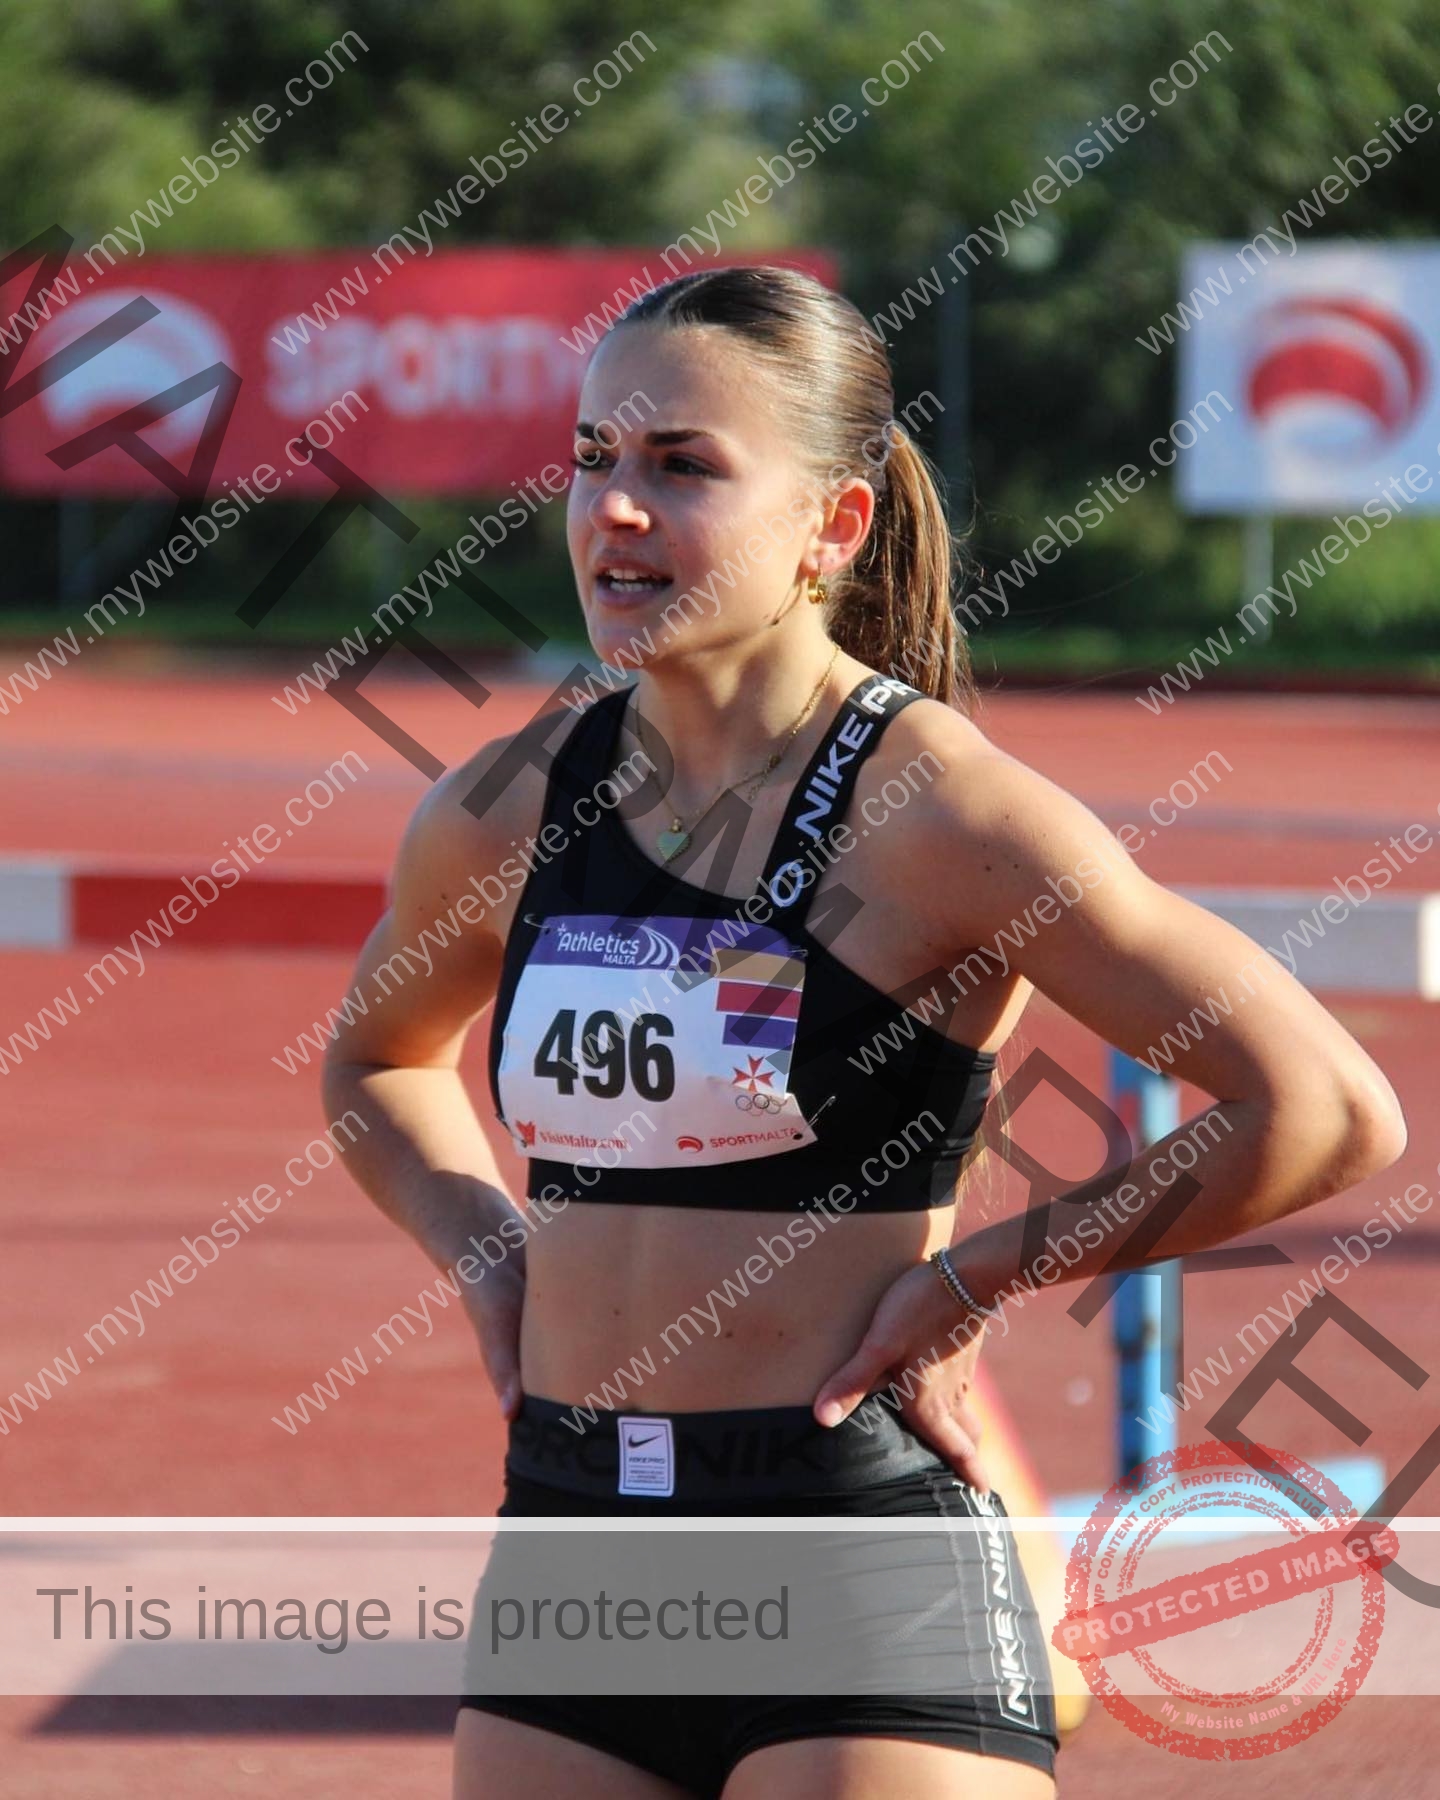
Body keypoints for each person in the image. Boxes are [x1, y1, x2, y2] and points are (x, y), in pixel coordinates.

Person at [322, 264, 1407, 1799]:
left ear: (835, 527)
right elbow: (372, 1061)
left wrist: (983, 1273)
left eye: (682, 467)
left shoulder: (935, 809)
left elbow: (1321, 1108)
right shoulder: (510, 801)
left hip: (848, 1551)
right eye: (592, 461)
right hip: (572, 1534)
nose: (612, 512)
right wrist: (483, 1246)